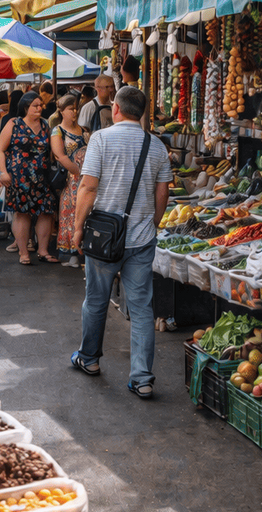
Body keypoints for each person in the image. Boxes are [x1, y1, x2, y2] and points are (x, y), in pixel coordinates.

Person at [69, 87, 171, 398]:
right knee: (141, 309)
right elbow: (163, 191)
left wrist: (76, 228)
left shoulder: (100, 139)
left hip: (103, 238)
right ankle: (142, 378)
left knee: (96, 301)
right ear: (141, 113)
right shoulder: (156, 146)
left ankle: (89, 359)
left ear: (115, 109)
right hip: (141, 239)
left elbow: (87, 186)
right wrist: (150, 223)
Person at [0, 92, 57, 265]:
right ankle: (23, 252)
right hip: (19, 176)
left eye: (40, 105)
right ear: (26, 107)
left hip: (42, 176)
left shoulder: (45, 125)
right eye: (35, 105)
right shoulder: (14, 124)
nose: (39, 108)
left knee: (46, 211)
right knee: (22, 213)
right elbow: (0, 149)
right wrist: (2, 172)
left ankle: (43, 250)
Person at [51, 94, 87, 268]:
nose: (75, 112)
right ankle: (69, 252)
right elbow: (60, 156)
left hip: (84, 178)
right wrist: (78, 172)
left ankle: (79, 251)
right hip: (71, 180)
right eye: (71, 109)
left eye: (76, 108)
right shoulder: (57, 131)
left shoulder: (82, 130)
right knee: (70, 213)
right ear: (61, 111)